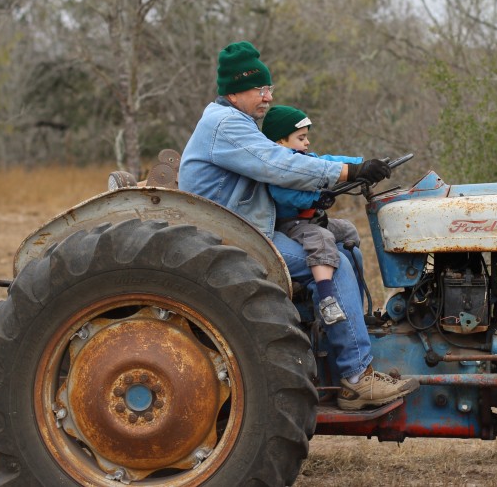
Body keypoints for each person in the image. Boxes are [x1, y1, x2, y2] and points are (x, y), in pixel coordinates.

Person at [179, 41, 419, 410]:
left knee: (343, 242)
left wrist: (362, 164)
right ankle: (356, 377)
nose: (267, 96)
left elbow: (298, 158)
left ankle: (357, 332)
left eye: (269, 88)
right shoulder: (225, 124)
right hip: (228, 241)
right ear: (233, 91)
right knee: (328, 259)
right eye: (259, 89)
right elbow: (280, 164)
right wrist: (348, 171)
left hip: (245, 229)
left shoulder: (237, 121)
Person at [261, 104, 362, 327]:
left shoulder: (304, 158)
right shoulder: (279, 166)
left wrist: (362, 164)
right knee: (323, 240)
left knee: (347, 230)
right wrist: (313, 200)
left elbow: (329, 161)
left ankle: (357, 308)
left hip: (313, 220)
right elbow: (282, 194)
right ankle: (327, 299)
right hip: (293, 223)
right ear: (280, 142)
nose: (307, 142)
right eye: (301, 137)